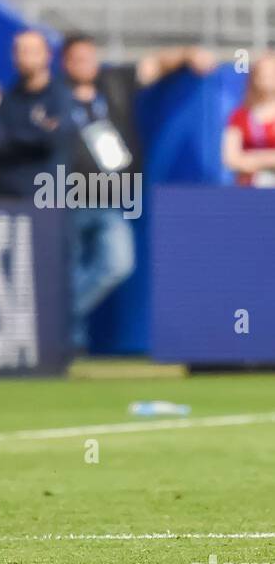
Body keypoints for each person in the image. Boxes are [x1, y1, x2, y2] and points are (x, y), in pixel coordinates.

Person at [61, 32, 214, 349]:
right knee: (68, 271)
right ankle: (68, 345)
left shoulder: (113, 83)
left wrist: (187, 53)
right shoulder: (55, 95)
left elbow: (156, 64)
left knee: (117, 263)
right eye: (77, 59)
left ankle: (55, 320)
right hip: (65, 196)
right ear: (65, 62)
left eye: (89, 58)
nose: (84, 65)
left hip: (111, 199)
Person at [0, 30, 72, 200]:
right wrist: (34, 133)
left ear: (47, 55)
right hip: (9, 196)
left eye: (31, 51)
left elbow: (53, 139)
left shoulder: (61, 96)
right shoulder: (8, 98)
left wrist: (19, 137)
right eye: (19, 51)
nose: (24, 57)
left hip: (48, 197)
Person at [223, 51, 275, 184]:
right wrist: (263, 160)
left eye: (271, 74)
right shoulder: (240, 116)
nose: (266, 79)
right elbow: (230, 158)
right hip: (250, 190)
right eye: (262, 74)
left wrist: (254, 159)